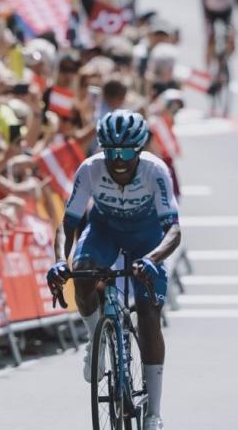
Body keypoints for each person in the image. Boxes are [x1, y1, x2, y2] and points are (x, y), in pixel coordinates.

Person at [48, 110, 181, 430]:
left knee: (148, 314)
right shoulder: (90, 170)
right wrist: (58, 261)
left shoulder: (156, 171)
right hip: (104, 230)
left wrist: (154, 259)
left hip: (147, 237)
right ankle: (96, 342)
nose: (118, 160)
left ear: (140, 150)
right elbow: (68, 225)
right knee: (82, 271)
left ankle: (154, 413)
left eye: (126, 152)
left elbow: (174, 231)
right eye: (110, 152)